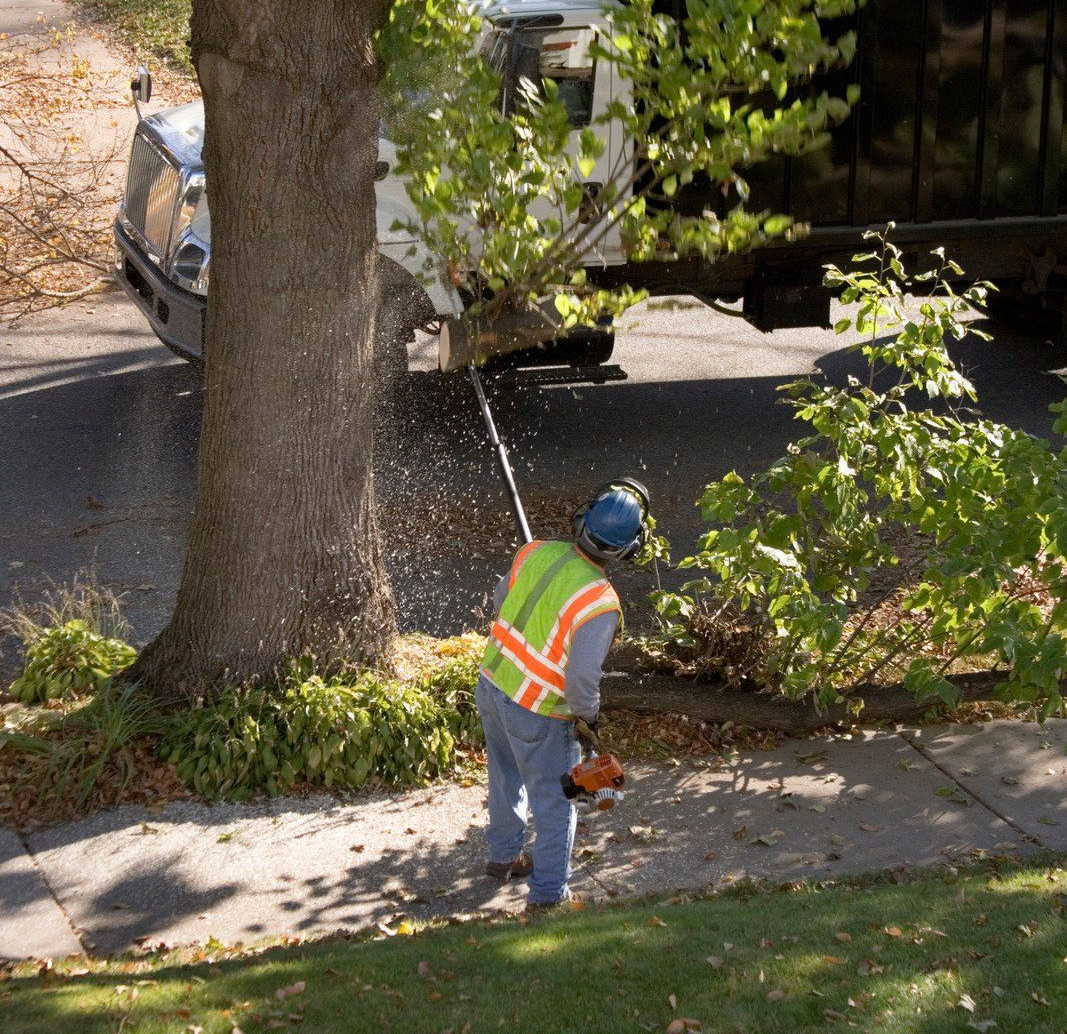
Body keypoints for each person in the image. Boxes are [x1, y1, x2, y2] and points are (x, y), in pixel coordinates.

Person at [475, 477, 651, 911]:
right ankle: (549, 897)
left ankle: (504, 855)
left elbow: (501, 603)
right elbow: (580, 683)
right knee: (556, 804)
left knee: (504, 775)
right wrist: (589, 719)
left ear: (582, 520)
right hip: (537, 712)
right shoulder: (599, 602)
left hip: (492, 685)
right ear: (630, 548)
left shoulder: (535, 552)